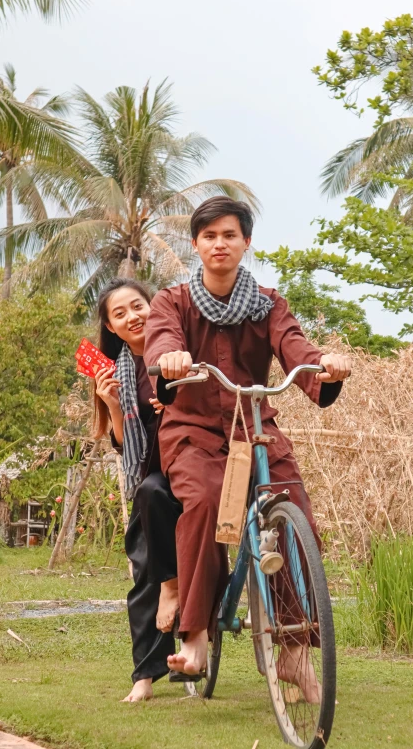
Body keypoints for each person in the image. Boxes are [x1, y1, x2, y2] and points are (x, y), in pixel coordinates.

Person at [144, 196, 351, 702]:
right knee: (210, 500)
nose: (220, 244)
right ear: (196, 244)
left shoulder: (268, 302)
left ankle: (295, 649)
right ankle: (194, 635)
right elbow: (161, 340)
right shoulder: (172, 302)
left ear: (246, 243)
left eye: (229, 235)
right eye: (209, 236)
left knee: (294, 509)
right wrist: (170, 358)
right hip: (193, 433)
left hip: (256, 428)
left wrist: (324, 362)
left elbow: (295, 345)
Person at [93, 278, 182, 702]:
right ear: (111, 327)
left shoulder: (179, 352)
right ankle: (145, 674)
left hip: (192, 467)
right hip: (152, 475)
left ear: (154, 305)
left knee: (152, 502)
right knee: (144, 561)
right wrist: (112, 405)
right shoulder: (119, 372)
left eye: (138, 306)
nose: (133, 317)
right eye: (120, 313)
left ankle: (179, 602)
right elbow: (120, 443)